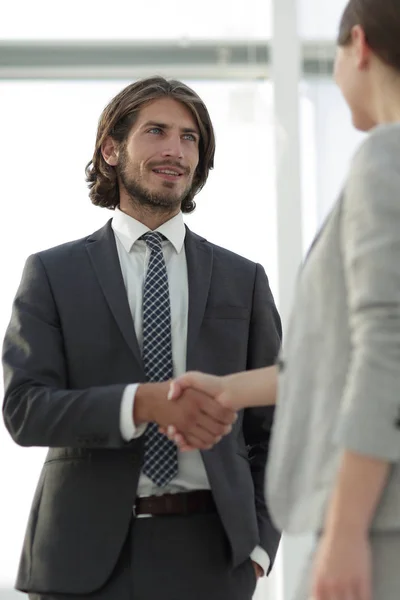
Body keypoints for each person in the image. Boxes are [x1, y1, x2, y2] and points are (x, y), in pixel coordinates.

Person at [1, 76, 282, 600]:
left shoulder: (243, 280)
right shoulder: (52, 273)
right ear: (111, 148)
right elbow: (24, 410)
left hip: (214, 557)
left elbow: (275, 425)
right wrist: (141, 403)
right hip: (80, 560)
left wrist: (261, 547)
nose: (175, 150)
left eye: (190, 137)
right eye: (157, 131)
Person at [167, 1, 400, 598]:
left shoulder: (385, 157)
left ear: (359, 44)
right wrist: (230, 390)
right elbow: (338, 359)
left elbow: (386, 351)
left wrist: (345, 530)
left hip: (376, 519)